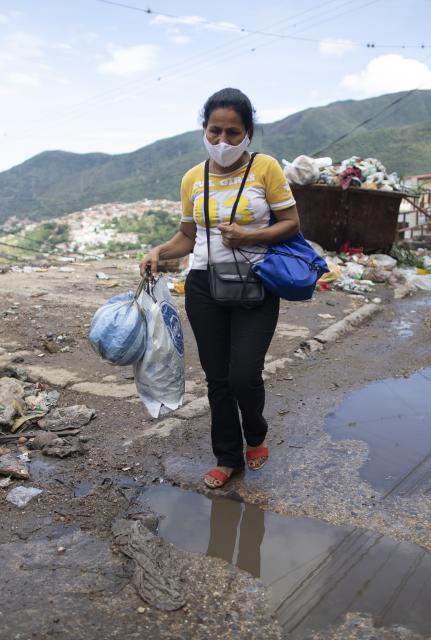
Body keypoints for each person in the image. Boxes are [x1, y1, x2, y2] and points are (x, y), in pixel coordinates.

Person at [140, 88, 300, 489]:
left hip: (256, 283)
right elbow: (187, 237)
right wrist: (160, 251)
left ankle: (256, 432)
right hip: (204, 287)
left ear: (248, 132)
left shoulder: (266, 169)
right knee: (218, 378)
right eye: (214, 132)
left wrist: (248, 235)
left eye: (232, 133)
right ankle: (227, 456)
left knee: (245, 373)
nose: (222, 142)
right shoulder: (193, 178)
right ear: (204, 130)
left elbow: (291, 223)